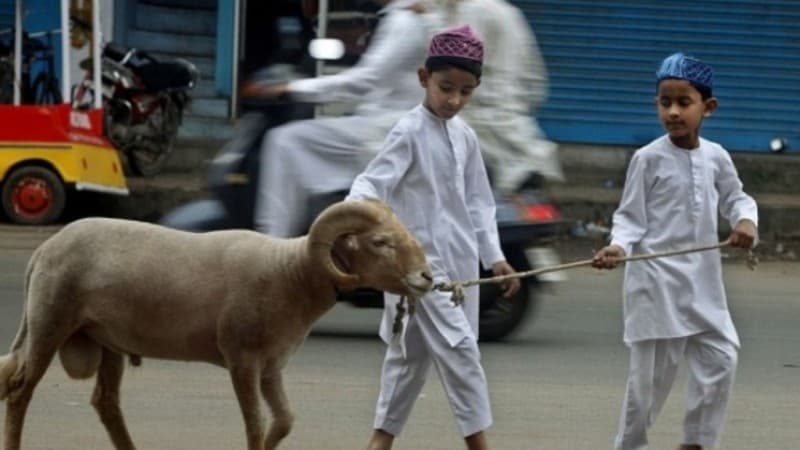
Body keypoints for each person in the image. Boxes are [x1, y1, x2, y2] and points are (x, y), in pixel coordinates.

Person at [346, 25, 519, 450]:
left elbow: (480, 203)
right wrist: (348, 225)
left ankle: (379, 442)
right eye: (446, 88)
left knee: (408, 359)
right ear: (424, 78)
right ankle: (479, 445)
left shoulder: (466, 136)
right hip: (419, 270)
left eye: (466, 91)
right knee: (461, 354)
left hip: (461, 268)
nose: (455, 100)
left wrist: (494, 257)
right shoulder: (408, 131)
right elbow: (370, 185)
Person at [592, 53, 758, 450]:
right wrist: (618, 247)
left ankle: (696, 442)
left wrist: (745, 222)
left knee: (721, 358)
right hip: (656, 284)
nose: (673, 112)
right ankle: (629, 446)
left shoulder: (716, 156)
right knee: (648, 384)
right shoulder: (648, 159)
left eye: (684, 102)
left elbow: (735, 198)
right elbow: (630, 217)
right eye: (665, 103)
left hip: (702, 282)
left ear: (708, 108)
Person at [248, 0, 433, 237]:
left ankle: (272, 246)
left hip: (386, 130)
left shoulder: (406, 21)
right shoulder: (400, 17)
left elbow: (365, 79)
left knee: (285, 140)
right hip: (383, 124)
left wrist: (291, 89)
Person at [433, 0, 563, 191]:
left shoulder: (474, 11)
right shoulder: (510, 13)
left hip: (481, 128)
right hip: (516, 129)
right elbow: (535, 80)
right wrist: (515, 108)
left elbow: (455, 65)